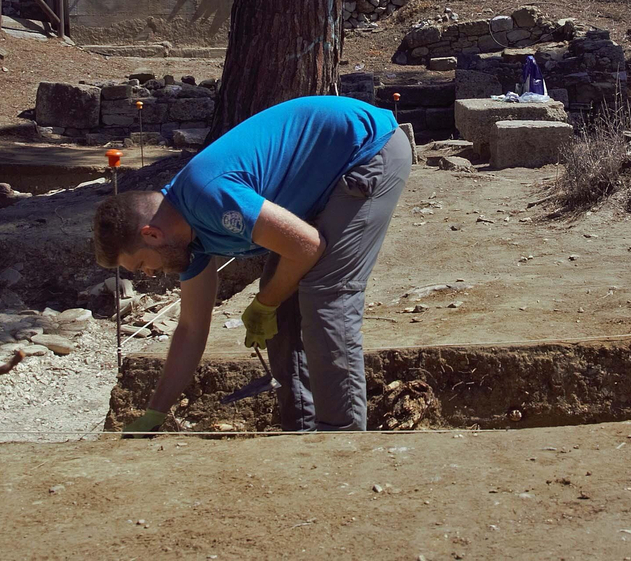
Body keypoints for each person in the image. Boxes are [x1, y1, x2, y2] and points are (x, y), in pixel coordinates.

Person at [94, 95, 410, 433]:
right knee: (282, 292)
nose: (148, 274)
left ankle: (342, 441)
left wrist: (265, 303)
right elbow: (191, 328)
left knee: (325, 294)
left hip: (366, 150)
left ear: (152, 234)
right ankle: (302, 431)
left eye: (142, 264)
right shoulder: (185, 240)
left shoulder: (209, 196)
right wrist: (155, 414)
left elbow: (307, 248)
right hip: (324, 176)